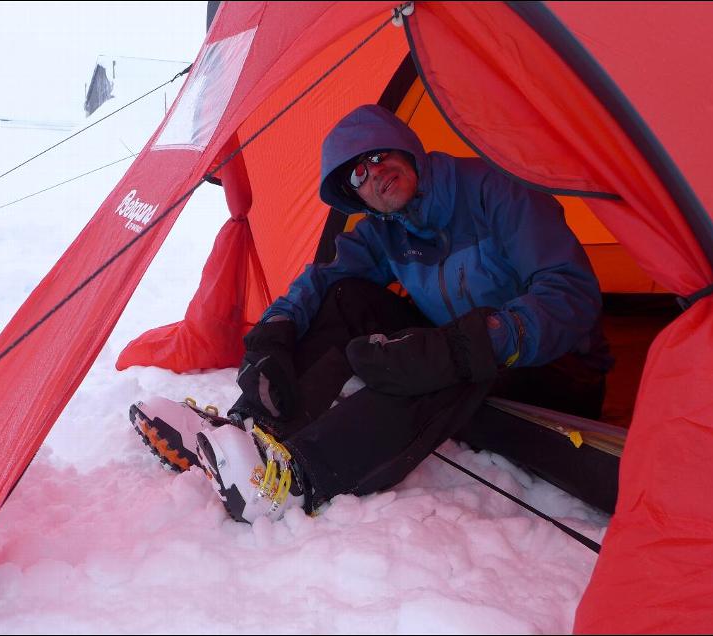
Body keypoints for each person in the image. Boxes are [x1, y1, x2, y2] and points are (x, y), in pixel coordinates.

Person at [186, 104, 611, 523]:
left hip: (558, 369)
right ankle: (250, 426)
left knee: (437, 360)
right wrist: (273, 331)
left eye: (377, 154)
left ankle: (301, 477)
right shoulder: (388, 228)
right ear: (355, 195)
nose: (375, 173)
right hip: (472, 354)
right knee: (348, 296)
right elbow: (324, 279)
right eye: (358, 174)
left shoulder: (494, 190)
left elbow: (570, 292)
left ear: (405, 148)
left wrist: (476, 341)